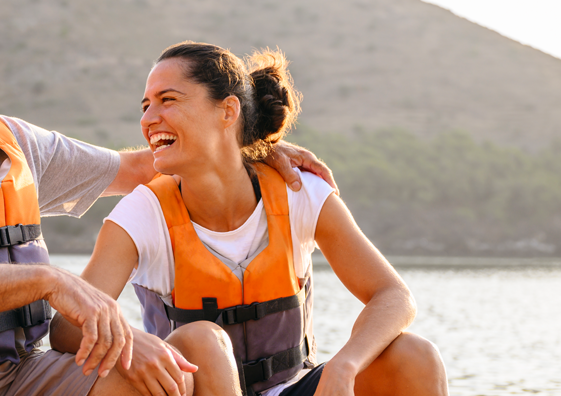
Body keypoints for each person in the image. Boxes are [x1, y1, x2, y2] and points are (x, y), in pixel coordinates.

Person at [0, 0, 334, 395]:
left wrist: (246, 149)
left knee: (157, 376)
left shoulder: (16, 144)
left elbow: (143, 167)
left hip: (18, 371)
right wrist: (47, 281)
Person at [54, 41, 449, 396]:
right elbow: (67, 327)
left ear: (228, 111)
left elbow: (394, 296)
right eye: (145, 106)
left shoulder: (298, 192)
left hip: (293, 386)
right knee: (203, 339)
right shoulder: (143, 214)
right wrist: (134, 344)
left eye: (167, 100)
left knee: (415, 356)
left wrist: (346, 364)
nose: (148, 119)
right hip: (196, 388)